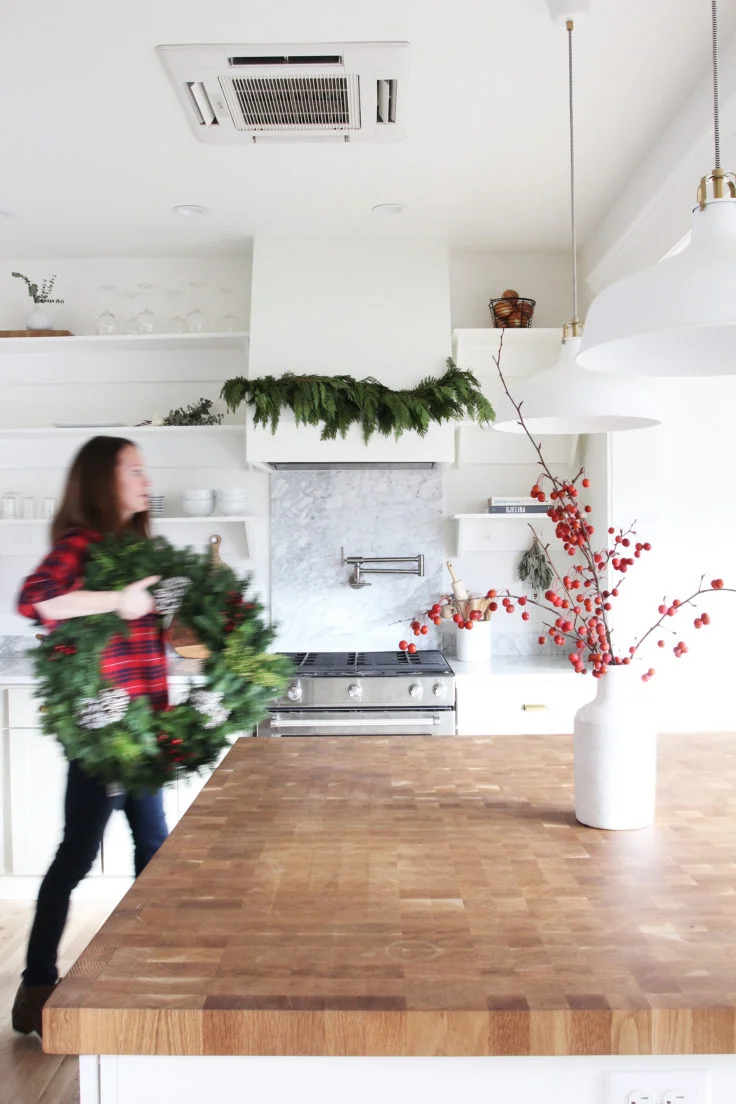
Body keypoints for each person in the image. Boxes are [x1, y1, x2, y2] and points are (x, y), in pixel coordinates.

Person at [11, 436, 169, 1038]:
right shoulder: (80, 547)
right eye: (134, 470)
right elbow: (36, 601)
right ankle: (36, 987)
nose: (145, 480)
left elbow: (144, 636)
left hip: (143, 737)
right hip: (103, 738)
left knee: (153, 854)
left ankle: (148, 974)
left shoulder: (135, 552)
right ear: (103, 481)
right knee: (78, 857)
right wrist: (118, 600)